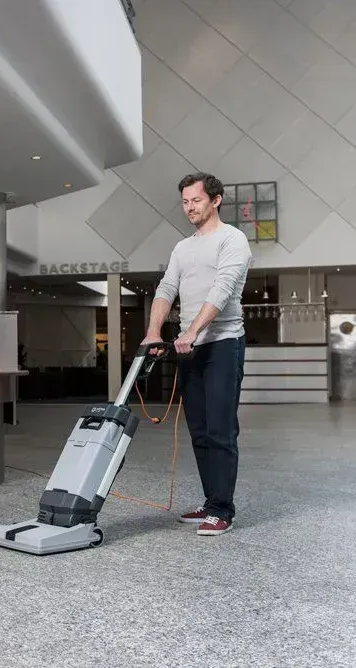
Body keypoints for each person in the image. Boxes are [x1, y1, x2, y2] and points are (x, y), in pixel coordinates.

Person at [142, 172, 252, 537]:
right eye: (185, 201)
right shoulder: (182, 247)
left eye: (196, 200)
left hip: (223, 344)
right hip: (191, 349)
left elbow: (222, 289)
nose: (190, 207)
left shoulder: (232, 240)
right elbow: (167, 286)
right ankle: (211, 501)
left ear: (216, 200)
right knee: (200, 431)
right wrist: (154, 332)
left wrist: (192, 330)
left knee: (221, 430)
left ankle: (223, 509)